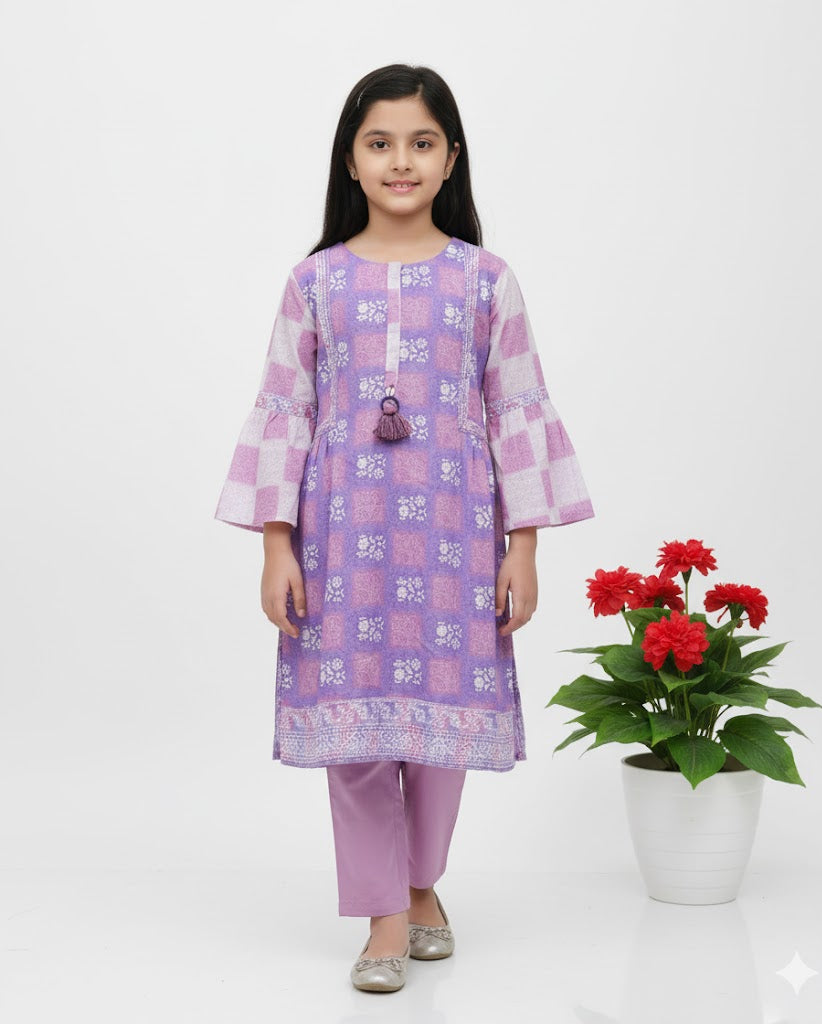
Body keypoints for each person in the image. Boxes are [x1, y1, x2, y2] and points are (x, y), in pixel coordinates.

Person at [213, 63, 595, 993]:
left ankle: (422, 885)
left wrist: (524, 547)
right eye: (380, 142)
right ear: (350, 159)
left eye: (421, 143)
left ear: (450, 158)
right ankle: (385, 913)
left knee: (439, 733)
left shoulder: (485, 281)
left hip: (456, 540)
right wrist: (275, 546)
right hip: (340, 543)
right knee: (353, 735)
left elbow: (517, 409)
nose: (400, 161)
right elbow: (284, 411)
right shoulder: (315, 282)